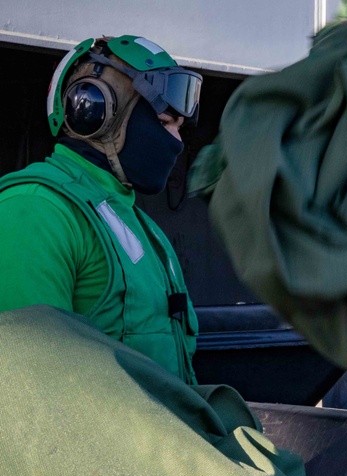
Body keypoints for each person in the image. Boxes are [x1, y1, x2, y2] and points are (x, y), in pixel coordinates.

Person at [0, 34, 201, 384]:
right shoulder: (35, 210)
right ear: (94, 111)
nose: (177, 143)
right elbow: (28, 392)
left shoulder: (139, 224)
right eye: (167, 123)